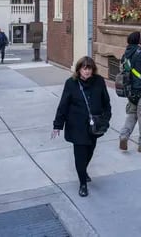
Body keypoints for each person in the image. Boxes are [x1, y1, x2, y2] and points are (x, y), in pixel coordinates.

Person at [51, 57, 111, 197]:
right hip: (76, 126)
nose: (87, 71)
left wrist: (106, 119)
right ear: (79, 69)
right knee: (80, 156)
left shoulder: (99, 81)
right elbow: (63, 105)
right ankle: (83, 183)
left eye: (89, 68)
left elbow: (106, 103)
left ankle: (83, 170)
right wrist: (57, 125)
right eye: (84, 68)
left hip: (94, 126)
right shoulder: (71, 83)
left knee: (90, 151)